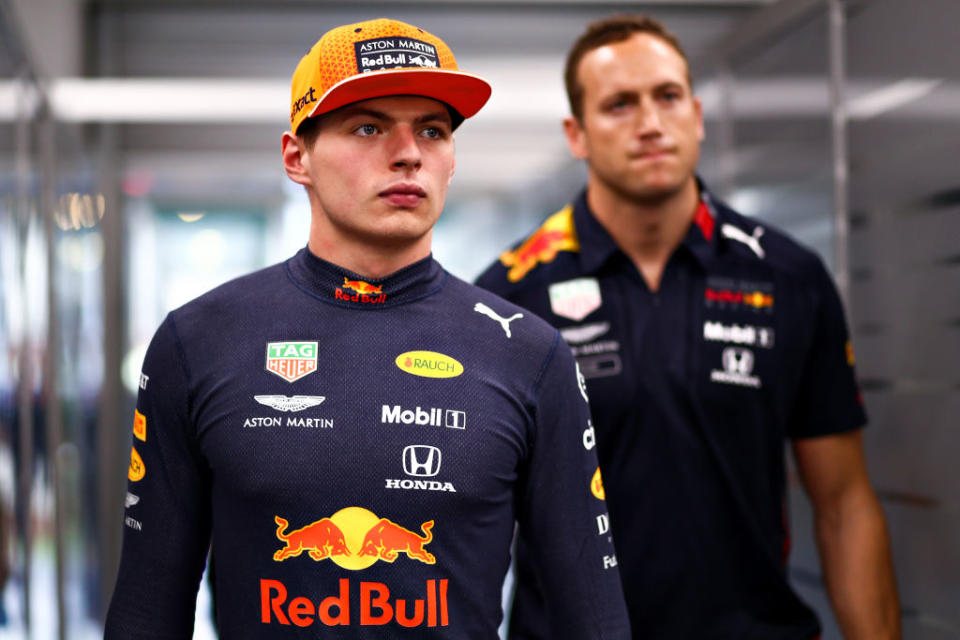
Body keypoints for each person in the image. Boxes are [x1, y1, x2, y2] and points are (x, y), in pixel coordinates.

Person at [104, 18, 630, 639]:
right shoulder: (197, 343)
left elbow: (594, 619)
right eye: (368, 126)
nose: (408, 152)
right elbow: (145, 611)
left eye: (432, 131)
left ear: (452, 161)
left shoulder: (528, 354)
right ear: (297, 157)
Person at [476, 14, 900, 640]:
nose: (651, 124)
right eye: (619, 105)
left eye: (667, 97)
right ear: (578, 134)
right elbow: (476, 524)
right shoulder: (510, 294)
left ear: (697, 115)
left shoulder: (788, 277)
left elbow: (843, 504)